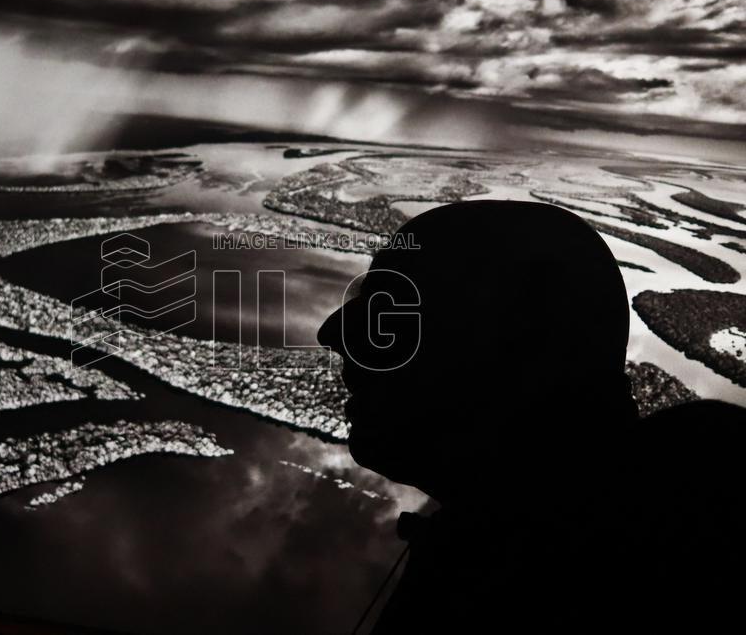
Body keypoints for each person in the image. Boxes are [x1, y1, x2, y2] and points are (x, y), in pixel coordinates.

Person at [317, 200, 746, 632]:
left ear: (525, 352)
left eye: (392, 313)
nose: (332, 333)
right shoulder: (618, 542)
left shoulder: (531, 589)